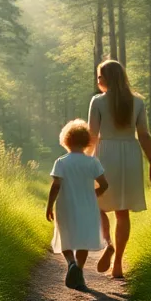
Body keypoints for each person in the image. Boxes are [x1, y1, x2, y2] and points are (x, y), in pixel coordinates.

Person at [87, 59, 151, 279]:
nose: (98, 80)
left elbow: (92, 135)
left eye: (100, 76)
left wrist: (85, 161)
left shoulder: (97, 101)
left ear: (107, 78)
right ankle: (117, 264)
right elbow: (144, 134)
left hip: (105, 153)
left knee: (97, 203)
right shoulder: (137, 102)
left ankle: (108, 243)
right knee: (122, 211)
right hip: (129, 154)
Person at [46, 119, 109, 291]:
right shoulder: (92, 162)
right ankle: (79, 271)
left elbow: (56, 186)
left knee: (65, 238)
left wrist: (49, 205)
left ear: (66, 140)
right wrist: (92, 194)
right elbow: (104, 185)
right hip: (87, 207)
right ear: (87, 141)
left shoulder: (61, 162)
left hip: (65, 206)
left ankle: (71, 263)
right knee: (82, 241)